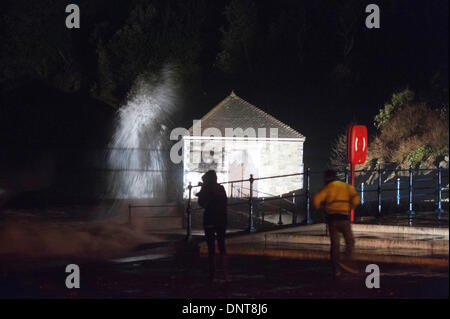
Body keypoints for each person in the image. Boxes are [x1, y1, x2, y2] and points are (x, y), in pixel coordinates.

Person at [313, 169, 361, 279]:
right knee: (350, 240)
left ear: (327, 178)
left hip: (332, 219)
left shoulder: (327, 188)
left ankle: (336, 269)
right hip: (344, 218)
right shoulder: (346, 187)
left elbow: (316, 200)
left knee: (335, 244)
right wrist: (350, 207)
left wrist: (322, 209)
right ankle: (347, 259)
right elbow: (356, 198)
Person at [195, 170, 229, 282]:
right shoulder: (221, 188)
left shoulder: (205, 189)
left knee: (211, 248)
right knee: (222, 245)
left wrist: (204, 192)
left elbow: (201, 203)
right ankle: (225, 274)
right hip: (221, 219)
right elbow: (225, 202)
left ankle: (212, 274)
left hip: (209, 219)